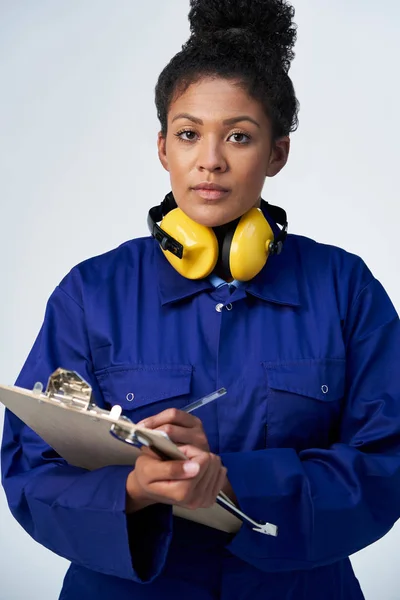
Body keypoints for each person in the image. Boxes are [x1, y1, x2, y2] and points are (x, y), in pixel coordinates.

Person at [2, 0, 400, 598]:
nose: (209, 161)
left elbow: (388, 461)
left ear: (276, 153)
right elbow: (31, 469)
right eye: (189, 134)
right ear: (164, 147)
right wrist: (134, 490)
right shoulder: (92, 292)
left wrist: (234, 484)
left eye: (239, 136)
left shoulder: (344, 287)